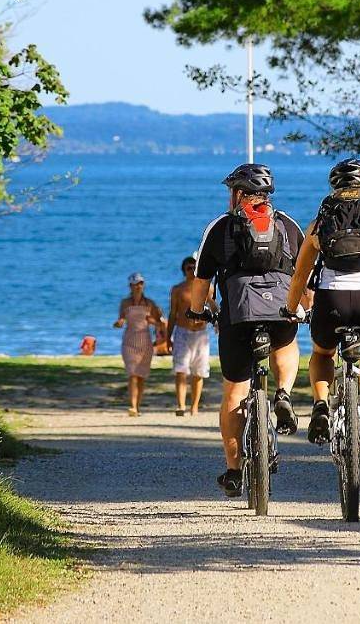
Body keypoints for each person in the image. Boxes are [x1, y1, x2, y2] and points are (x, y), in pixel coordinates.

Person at [284, 158, 360, 487]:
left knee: (322, 353)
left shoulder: (319, 224)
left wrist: (290, 308)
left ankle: (321, 404)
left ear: (334, 189)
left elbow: (299, 276)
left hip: (332, 303)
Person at [189, 163, 306, 497]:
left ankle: (233, 470)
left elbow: (201, 280)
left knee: (234, 392)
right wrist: (305, 308)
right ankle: (283, 393)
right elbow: (304, 272)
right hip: (280, 312)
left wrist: (196, 312)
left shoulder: (221, 227)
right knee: (286, 344)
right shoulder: (287, 224)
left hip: (238, 316)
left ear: (239, 194)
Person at [168, 256, 216, 416]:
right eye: (189, 268)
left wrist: (217, 324)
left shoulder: (207, 288)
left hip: (201, 335)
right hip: (182, 332)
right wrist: (168, 337)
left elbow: (213, 307)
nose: (192, 271)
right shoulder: (178, 289)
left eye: (195, 268)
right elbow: (173, 314)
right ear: (184, 270)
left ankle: (194, 406)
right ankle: (181, 405)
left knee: (199, 372)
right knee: (181, 370)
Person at [114, 272, 163, 417]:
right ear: (130, 286)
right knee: (132, 373)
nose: (138, 286)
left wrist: (154, 319)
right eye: (135, 284)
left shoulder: (149, 303)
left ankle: (138, 405)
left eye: (140, 283)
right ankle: (133, 406)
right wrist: (119, 323)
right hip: (129, 341)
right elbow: (121, 319)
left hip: (145, 342)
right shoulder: (125, 303)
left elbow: (158, 322)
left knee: (141, 375)